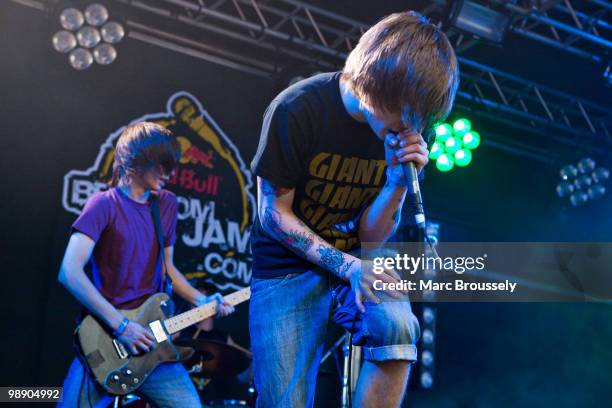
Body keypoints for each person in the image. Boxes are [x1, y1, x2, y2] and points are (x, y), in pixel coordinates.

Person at [249, 11, 458, 408]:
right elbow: (273, 214)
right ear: (379, 85)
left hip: (358, 257)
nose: (414, 125)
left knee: (397, 326)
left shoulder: (406, 131)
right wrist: (348, 268)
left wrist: (396, 185)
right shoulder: (298, 108)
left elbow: (373, 236)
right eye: (408, 109)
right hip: (286, 268)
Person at [57, 122, 235, 408]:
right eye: (162, 164)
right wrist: (122, 327)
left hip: (154, 341)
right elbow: (69, 272)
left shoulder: (165, 204)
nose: (170, 173)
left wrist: (203, 301)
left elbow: (169, 270)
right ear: (136, 161)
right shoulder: (103, 205)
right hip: (107, 338)